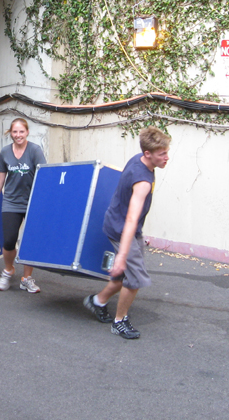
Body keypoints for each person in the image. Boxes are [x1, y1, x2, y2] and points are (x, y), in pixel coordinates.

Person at [83, 126, 171, 339]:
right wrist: (122, 256)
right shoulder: (143, 181)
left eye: (167, 152)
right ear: (148, 154)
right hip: (123, 229)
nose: (167, 157)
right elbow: (131, 217)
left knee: (125, 276)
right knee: (136, 278)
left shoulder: (138, 159)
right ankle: (119, 321)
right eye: (162, 154)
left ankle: (97, 301)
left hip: (118, 223)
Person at [0, 118, 47, 293]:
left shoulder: (35, 150)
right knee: (8, 241)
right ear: (10, 133)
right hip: (11, 202)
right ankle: (8, 269)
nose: (18, 135)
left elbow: (44, 175)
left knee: (29, 241)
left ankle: (26, 278)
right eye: (15, 132)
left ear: (27, 132)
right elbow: (0, 178)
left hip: (32, 202)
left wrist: (43, 201)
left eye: (21, 131)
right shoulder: (5, 152)